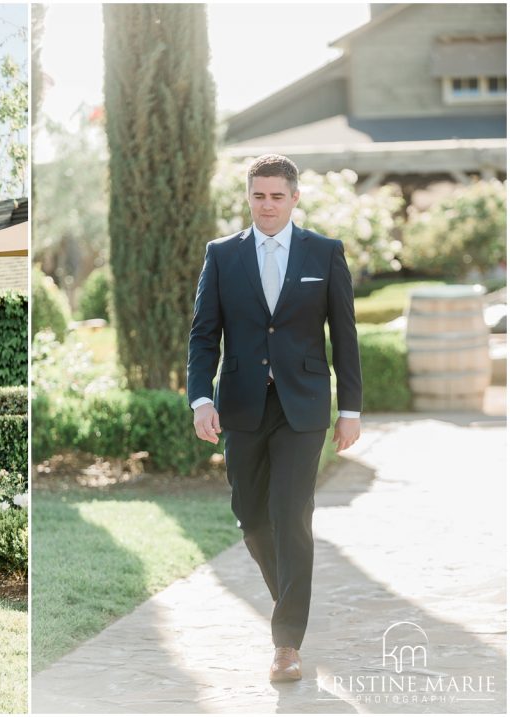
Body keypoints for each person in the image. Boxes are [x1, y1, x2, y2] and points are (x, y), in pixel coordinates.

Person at [186, 154, 362, 682]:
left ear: (294, 198)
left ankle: (286, 643)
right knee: (253, 518)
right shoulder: (222, 255)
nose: (268, 204)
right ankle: (287, 597)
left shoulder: (324, 253)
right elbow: (203, 335)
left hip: (303, 407)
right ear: (248, 197)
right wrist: (201, 399)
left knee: (291, 514)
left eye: (277, 196)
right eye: (259, 195)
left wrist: (349, 409)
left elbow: (345, 338)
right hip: (240, 406)